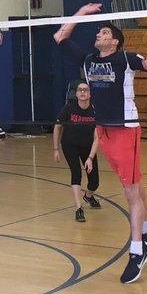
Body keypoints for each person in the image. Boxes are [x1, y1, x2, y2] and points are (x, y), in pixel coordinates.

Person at [54, 3, 147, 284]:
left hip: (125, 130)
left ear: (115, 41)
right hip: (103, 130)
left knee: (130, 192)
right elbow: (60, 37)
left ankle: (136, 252)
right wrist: (80, 13)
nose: (99, 33)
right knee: (135, 184)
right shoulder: (89, 61)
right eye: (99, 30)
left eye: (104, 31)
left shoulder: (125, 59)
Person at [52, 82, 101, 222]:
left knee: (94, 181)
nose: (83, 92)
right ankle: (79, 208)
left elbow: (98, 137)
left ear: (90, 93)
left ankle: (89, 196)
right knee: (76, 172)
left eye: (85, 90)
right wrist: (56, 149)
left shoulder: (95, 110)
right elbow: (57, 127)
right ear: (77, 94)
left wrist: (90, 158)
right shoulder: (69, 108)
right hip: (69, 145)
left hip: (87, 147)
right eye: (80, 90)